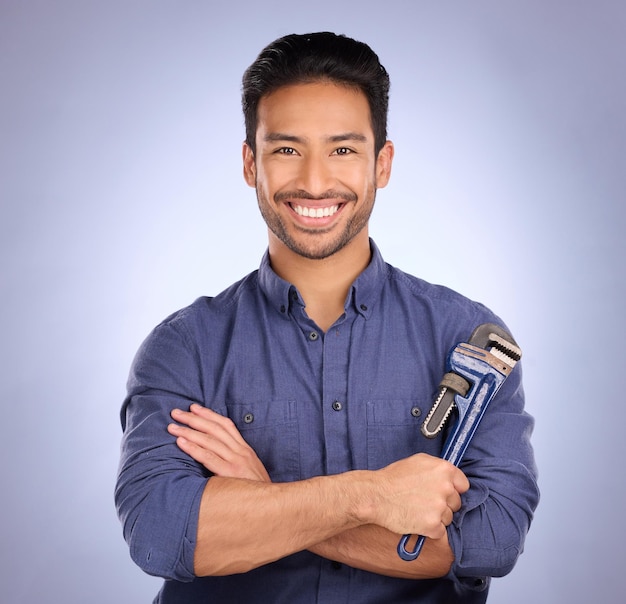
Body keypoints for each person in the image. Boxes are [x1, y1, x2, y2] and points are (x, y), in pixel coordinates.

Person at [115, 32, 539, 603]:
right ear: (250, 163)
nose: (315, 181)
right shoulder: (183, 347)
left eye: (343, 149)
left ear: (381, 164)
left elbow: (489, 542)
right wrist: (367, 497)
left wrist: (262, 496)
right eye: (286, 149)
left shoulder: (470, 337)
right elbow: (162, 535)